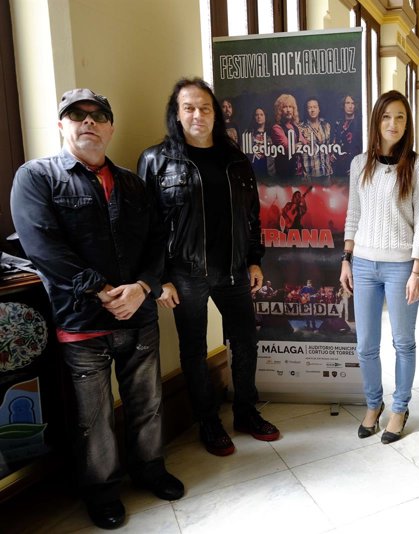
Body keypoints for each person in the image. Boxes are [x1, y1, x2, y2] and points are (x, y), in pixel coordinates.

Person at [10, 88, 184, 529]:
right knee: (93, 418)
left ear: (110, 128)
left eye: (98, 115)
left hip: (139, 316)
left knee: (147, 402)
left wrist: (143, 287)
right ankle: (103, 491)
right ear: (61, 125)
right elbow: (43, 246)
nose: (88, 121)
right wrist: (102, 291)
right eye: (77, 115)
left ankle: (151, 470)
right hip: (81, 320)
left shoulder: (132, 183)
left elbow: (157, 241)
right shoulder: (36, 177)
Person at [138, 78, 280, 458]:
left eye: (205, 107)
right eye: (189, 108)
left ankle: (246, 412)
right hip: (185, 275)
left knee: (245, 341)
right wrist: (159, 279)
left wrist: (254, 259)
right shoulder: (155, 161)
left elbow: (252, 216)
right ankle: (208, 421)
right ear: (177, 114)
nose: (197, 114)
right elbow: (146, 227)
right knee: (194, 350)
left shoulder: (235, 159)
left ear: (215, 114)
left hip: (234, 269)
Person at [340, 90, 419, 445]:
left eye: (400, 117)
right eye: (386, 116)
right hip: (363, 264)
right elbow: (353, 213)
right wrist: (346, 259)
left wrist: (417, 271)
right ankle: (373, 404)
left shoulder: (418, 166)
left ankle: (400, 408)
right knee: (365, 345)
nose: (393, 124)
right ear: (376, 121)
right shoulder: (359, 164)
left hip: (401, 267)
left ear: (408, 124)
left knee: (403, 342)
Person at [271, 93, 306, 179]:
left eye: (290, 107)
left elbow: (305, 144)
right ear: (279, 110)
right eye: (285, 107)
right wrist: (300, 144)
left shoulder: (295, 126)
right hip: (285, 173)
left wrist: (299, 144)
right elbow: (289, 148)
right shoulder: (276, 128)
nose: (288, 110)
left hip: (298, 172)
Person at [299, 97, 333, 181]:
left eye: (315, 107)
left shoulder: (326, 125)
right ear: (306, 110)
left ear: (319, 109)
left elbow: (329, 147)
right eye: (309, 107)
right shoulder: (301, 128)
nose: (312, 110)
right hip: (309, 174)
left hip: (326, 172)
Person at [332, 94, 362, 178]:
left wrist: (358, 166)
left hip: (355, 164)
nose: (350, 106)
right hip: (339, 166)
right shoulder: (338, 123)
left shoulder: (360, 123)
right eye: (347, 103)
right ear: (343, 105)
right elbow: (335, 141)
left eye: (353, 103)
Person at [246, 106, 274, 182]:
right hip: (253, 167)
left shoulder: (271, 133)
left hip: (268, 168)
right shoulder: (248, 133)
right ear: (254, 117)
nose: (259, 117)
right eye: (256, 115)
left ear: (265, 116)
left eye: (261, 114)